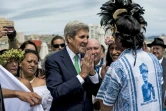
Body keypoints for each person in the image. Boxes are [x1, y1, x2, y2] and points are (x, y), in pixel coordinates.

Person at [96, 0, 163, 111]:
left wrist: (105, 80)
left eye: (114, 34)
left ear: (119, 38)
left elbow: (105, 106)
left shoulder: (118, 66)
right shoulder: (153, 59)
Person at [45, 20, 101, 111]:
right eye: (82, 37)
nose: (86, 41)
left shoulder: (87, 58)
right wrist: (82, 75)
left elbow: (98, 92)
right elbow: (57, 92)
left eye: (87, 37)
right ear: (69, 38)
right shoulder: (54, 60)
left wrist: (93, 74)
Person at [0, 27, 41, 108]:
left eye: (16, 61)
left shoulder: (24, 82)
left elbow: (32, 105)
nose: (14, 64)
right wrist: (17, 93)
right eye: (9, 61)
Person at [147, 38, 166, 109]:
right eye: (153, 48)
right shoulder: (146, 64)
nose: (154, 51)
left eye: (157, 48)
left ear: (163, 50)